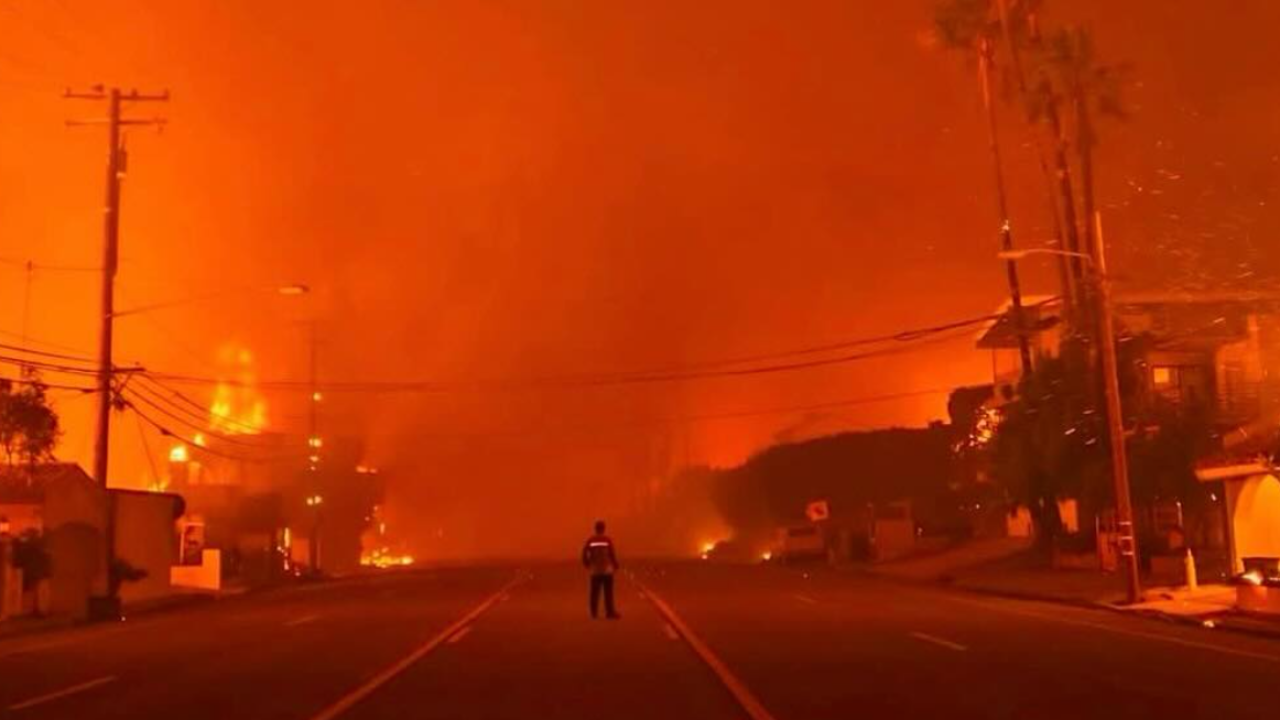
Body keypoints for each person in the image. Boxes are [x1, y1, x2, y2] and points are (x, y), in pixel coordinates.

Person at [581, 520, 620, 619]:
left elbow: (584, 552)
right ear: (603, 528)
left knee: (594, 593)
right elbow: (611, 553)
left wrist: (587, 563)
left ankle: (594, 613)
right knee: (608, 593)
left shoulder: (591, 540)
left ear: (595, 528)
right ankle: (609, 612)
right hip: (607, 570)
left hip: (595, 570)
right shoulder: (607, 540)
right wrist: (615, 564)